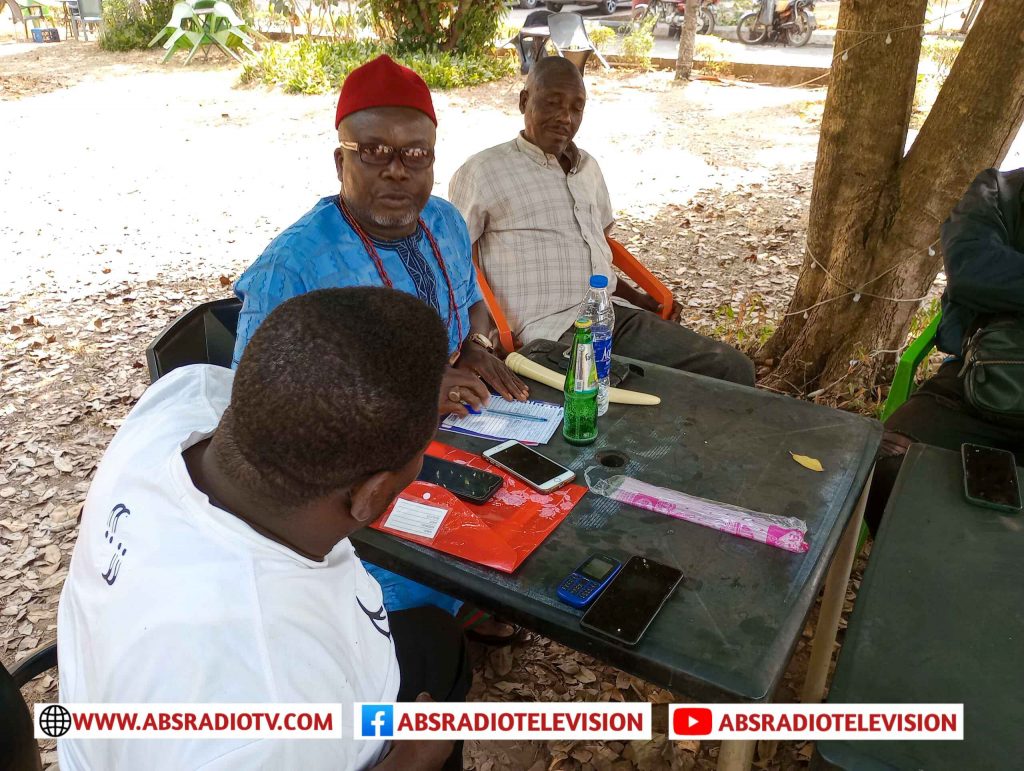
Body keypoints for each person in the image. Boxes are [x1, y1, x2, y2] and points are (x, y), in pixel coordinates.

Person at [58, 288, 471, 771]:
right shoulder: (269, 709)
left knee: (436, 641)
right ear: (371, 496)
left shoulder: (184, 396)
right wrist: (416, 759)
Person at [232, 54, 526, 628]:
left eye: (415, 154)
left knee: (525, 500)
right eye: (374, 151)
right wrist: (414, 393)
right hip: (346, 485)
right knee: (424, 577)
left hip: (454, 430)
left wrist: (472, 347)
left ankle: (472, 611)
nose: (397, 171)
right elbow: (255, 418)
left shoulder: (443, 221)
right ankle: (422, 635)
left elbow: (465, 306)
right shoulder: (292, 268)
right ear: (341, 160)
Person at [448, 56, 755, 386]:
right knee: (618, 398)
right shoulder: (483, 171)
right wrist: (478, 342)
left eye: (576, 108)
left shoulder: (588, 168)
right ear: (525, 101)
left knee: (731, 368)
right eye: (552, 103)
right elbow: (454, 265)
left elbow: (597, 251)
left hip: (613, 315)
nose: (565, 118)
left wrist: (639, 299)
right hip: (549, 333)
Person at [865, 167, 1024, 533]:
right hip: (976, 382)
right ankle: (912, 576)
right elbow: (973, 274)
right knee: (889, 462)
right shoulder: (998, 192)